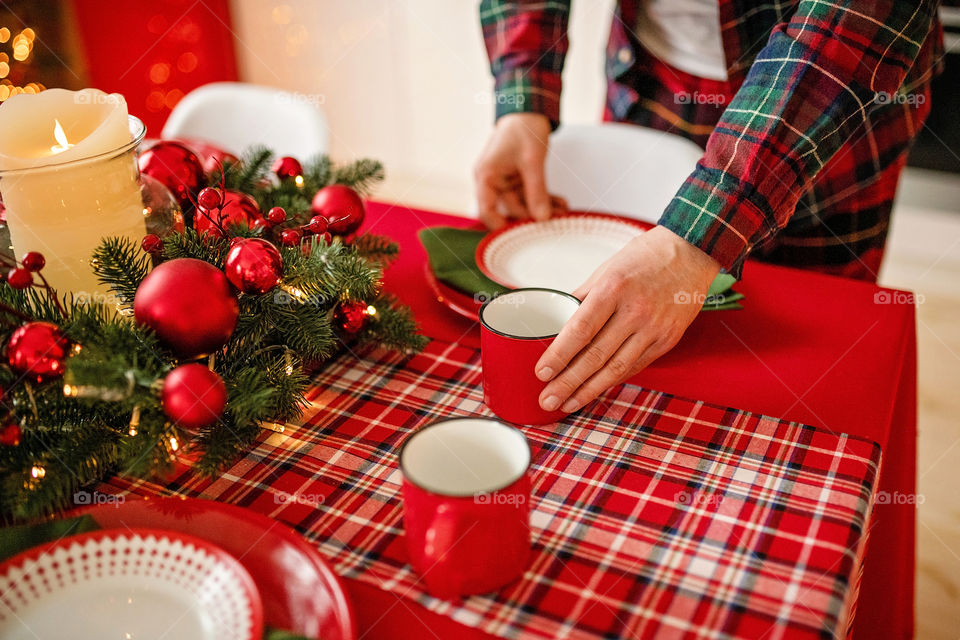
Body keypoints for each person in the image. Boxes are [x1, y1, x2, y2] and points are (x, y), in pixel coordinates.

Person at [475, 0, 943, 415]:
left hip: (824, 98)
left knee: (810, 367)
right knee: (640, 336)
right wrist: (523, 94)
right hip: (650, 79)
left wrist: (693, 242)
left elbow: (858, 15)